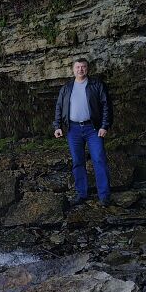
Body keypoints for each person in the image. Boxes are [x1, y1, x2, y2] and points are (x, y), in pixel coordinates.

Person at [53, 58, 113, 206]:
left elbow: (106, 106)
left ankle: (104, 196)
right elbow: (59, 107)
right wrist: (57, 126)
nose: (80, 69)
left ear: (88, 69)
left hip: (93, 129)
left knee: (99, 159)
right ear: (73, 70)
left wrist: (104, 126)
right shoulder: (66, 87)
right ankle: (82, 194)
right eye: (78, 67)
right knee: (78, 161)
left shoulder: (96, 85)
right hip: (73, 129)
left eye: (83, 67)